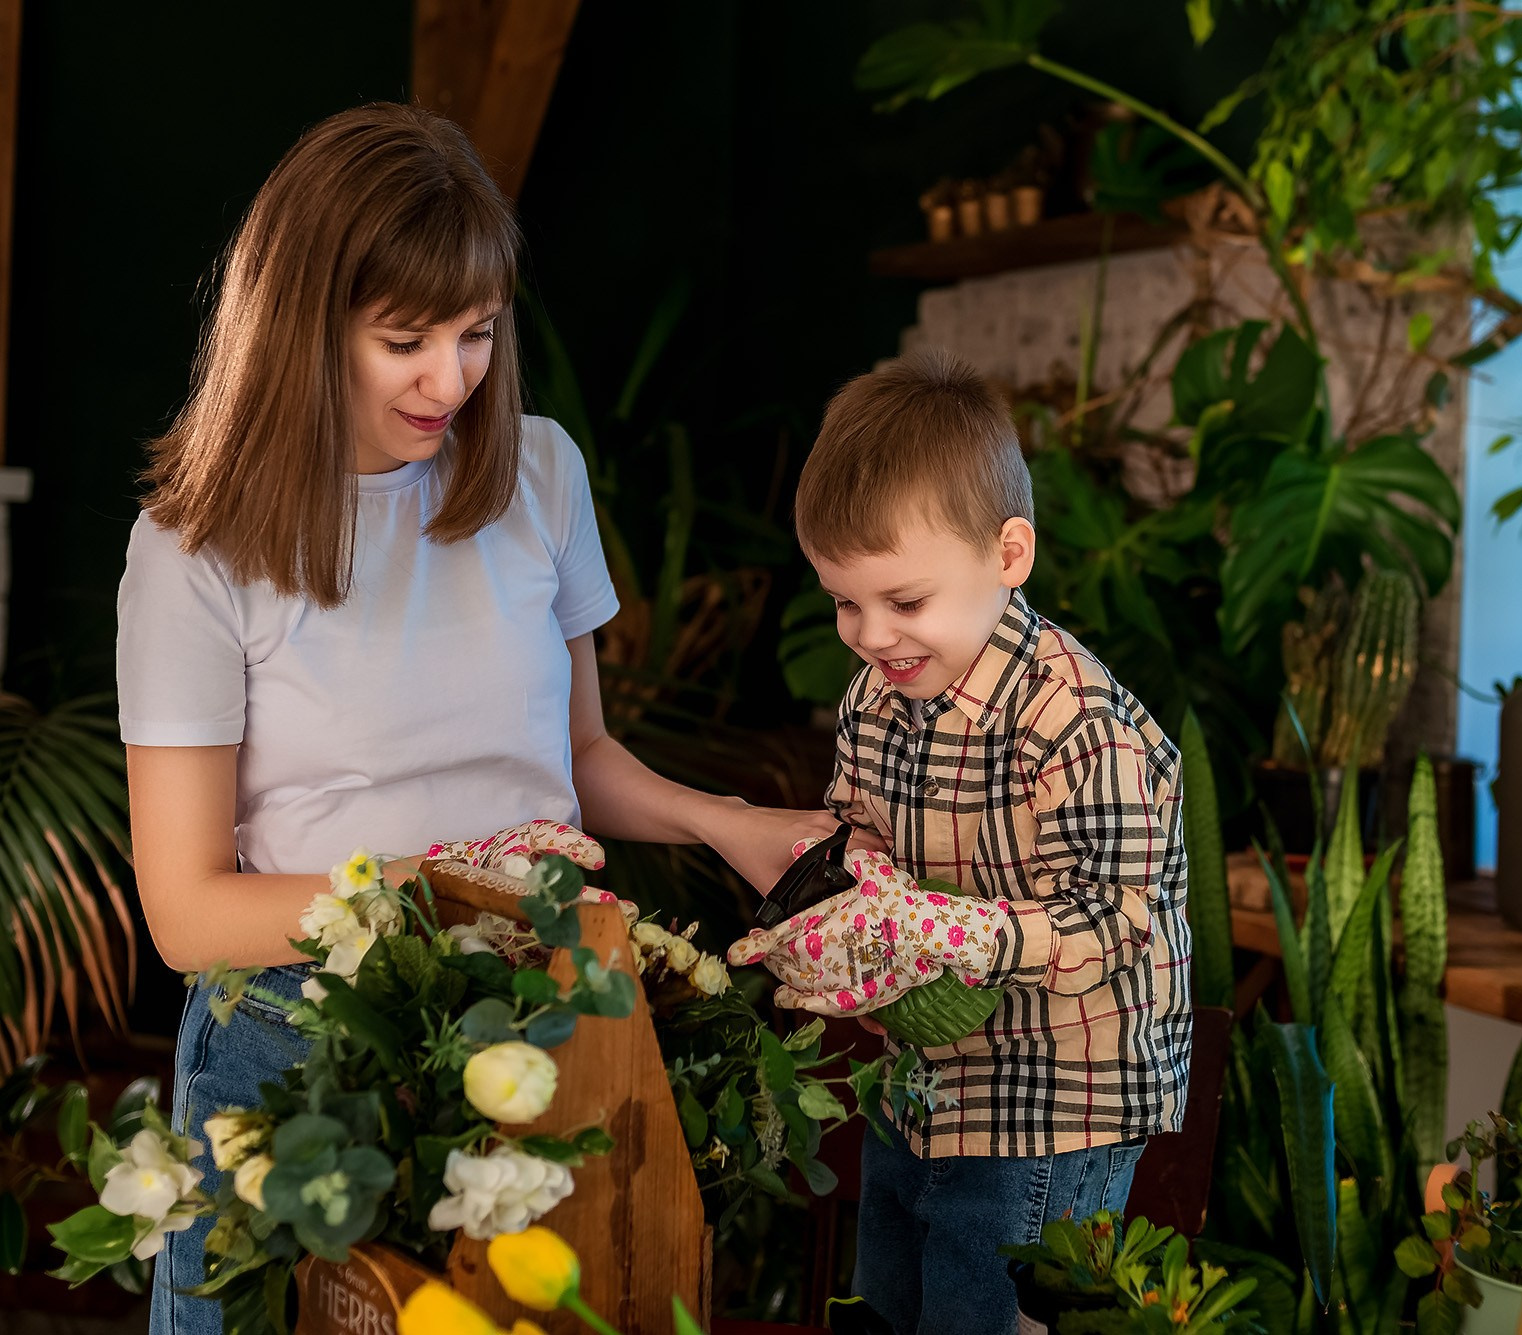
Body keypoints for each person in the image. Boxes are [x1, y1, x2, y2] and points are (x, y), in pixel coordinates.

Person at [116, 103, 842, 1335]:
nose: (449, 379)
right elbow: (188, 915)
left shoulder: (537, 472)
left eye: (476, 334)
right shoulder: (194, 548)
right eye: (405, 338)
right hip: (295, 1051)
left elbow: (577, 760)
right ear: (305, 322)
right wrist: (446, 882)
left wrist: (731, 826)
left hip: (542, 1017)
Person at [728, 351, 1193, 1335]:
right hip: (922, 1076)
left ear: (1007, 555)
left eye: (903, 602)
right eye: (843, 602)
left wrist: (932, 925)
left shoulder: (1078, 723)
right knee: (891, 1298)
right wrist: (839, 889)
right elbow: (860, 827)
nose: (867, 634)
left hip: (1058, 1100)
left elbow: (1107, 928)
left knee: (987, 1316)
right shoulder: (875, 693)